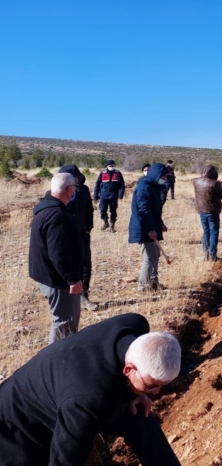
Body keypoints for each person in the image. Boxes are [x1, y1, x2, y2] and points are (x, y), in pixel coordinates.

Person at [0, 313, 182, 466]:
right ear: (129, 370)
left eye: (162, 384)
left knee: (140, 418)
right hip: (15, 427)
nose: (156, 392)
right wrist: (131, 392)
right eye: (151, 385)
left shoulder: (134, 326)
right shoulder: (88, 400)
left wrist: (135, 391)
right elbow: (66, 459)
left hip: (63, 388)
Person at [29, 173, 83, 343]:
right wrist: (72, 279)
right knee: (65, 323)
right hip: (58, 280)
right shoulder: (57, 215)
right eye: (75, 187)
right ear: (69, 190)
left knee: (63, 321)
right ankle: (59, 361)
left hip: (47, 275)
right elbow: (58, 252)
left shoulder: (46, 208)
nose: (76, 190)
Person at [58, 164, 97, 311]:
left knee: (85, 265)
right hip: (66, 236)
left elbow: (89, 210)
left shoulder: (84, 190)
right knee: (68, 265)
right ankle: (67, 298)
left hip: (82, 234)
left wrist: (88, 228)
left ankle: (83, 296)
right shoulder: (60, 192)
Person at [129, 163, 169, 292]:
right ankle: (143, 286)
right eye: (163, 176)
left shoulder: (153, 186)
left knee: (155, 254)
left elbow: (154, 210)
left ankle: (153, 282)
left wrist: (160, 223)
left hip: (151, 225)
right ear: (156, 174)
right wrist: (151, 229)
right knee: (149, 257)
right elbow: (144, 211)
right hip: (143, 228)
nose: (165, 179)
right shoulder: (144, 187)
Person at [193, 165, 222, 261]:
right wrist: (221, 185)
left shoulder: (195, 181)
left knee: (206, 233)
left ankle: (205, 254)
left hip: (201, 210)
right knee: (214, 233)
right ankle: (213, 256)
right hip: (212, 211)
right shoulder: (214, 183)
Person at [93, 159, 125, 232]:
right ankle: (105, 222)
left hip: (114, 196)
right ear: (107, 166)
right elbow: (97, 184)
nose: (111, 166)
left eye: (112, 165)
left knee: (113, 211)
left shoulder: (118, 173)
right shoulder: (102, 173)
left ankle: (112, 226)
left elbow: (122, 184)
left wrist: (121, 194)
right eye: (110, 165)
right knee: (102, 210)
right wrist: (95, 196)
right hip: (103, 195)